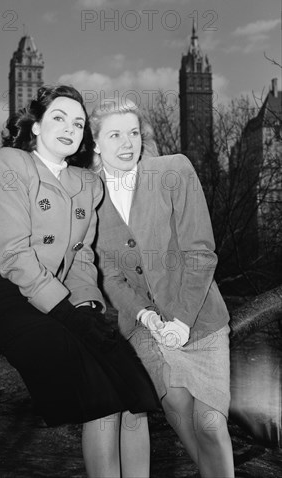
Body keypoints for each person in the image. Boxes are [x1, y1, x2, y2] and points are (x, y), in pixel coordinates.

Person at [0, 85, 158, 478]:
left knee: (133, 392)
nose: (69, 128)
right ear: (38, 126)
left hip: (66, 304)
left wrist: (88, 305)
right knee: (99, 394)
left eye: (78, 123)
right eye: (58, 118)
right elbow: (13, 254)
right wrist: (67, 313)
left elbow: (80, 257)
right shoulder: (11, 164)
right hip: (12, 302)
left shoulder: (88, 184)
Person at [90, 98, 235, 478]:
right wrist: (146, 315)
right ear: (95, 143)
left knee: (210, 424)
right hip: (144, 327)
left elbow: (200, 253)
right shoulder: (87, 200)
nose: (127, 143)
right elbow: (110, 276)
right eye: (115, 134)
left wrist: (183, 320)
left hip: (200, 318)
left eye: (134, 133)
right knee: (177, 407)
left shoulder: (174, 170)